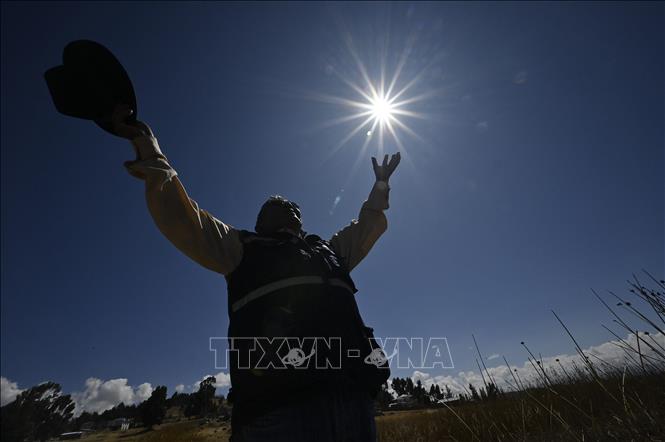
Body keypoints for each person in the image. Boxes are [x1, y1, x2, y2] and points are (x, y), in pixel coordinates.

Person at [112, 105, 400, 441]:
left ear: (300, 222)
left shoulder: (328, 252)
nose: (283, 208)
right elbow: (184, 218)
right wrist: (149, 148)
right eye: (273, 208)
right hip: (278, 414)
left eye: (289, 208)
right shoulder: (240, 248)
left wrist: (380, 187)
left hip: (353, 405)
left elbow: (367, 226)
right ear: (260, 222)